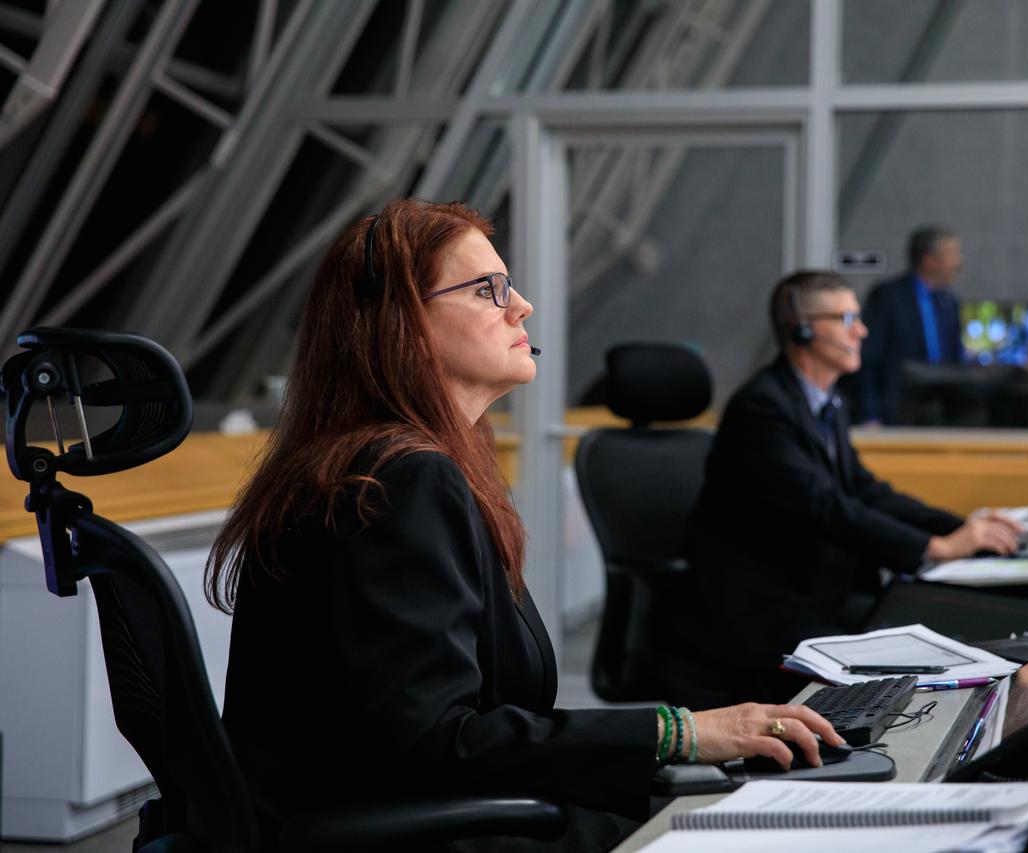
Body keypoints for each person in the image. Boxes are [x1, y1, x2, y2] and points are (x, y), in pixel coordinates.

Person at [204, 200, 841, 853]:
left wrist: (684, 738)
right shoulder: (400, 479)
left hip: (421, 811)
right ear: (404, 324)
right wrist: (677, 731)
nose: (523, 306)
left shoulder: (383, 464)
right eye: (489, 290)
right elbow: (434, 740)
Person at [675, 270, 1021, 707]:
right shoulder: (761, 407)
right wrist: (937, 547)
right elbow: (824, 506)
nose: (862, 330)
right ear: (802, 329)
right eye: (845, 318)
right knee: (919, 661)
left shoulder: (824, 402)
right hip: (762, 610)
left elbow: (864, 489)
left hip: (814, 594)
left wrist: (962, 529)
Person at [855, 226, 966, 425]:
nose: (958, 263)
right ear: (928, 260)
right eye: (951, 255)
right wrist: (869, 413)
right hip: (894, 411)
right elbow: (869, 357)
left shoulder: (949, 302)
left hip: (942, 415)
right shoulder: (888, 296)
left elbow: (956, 358)